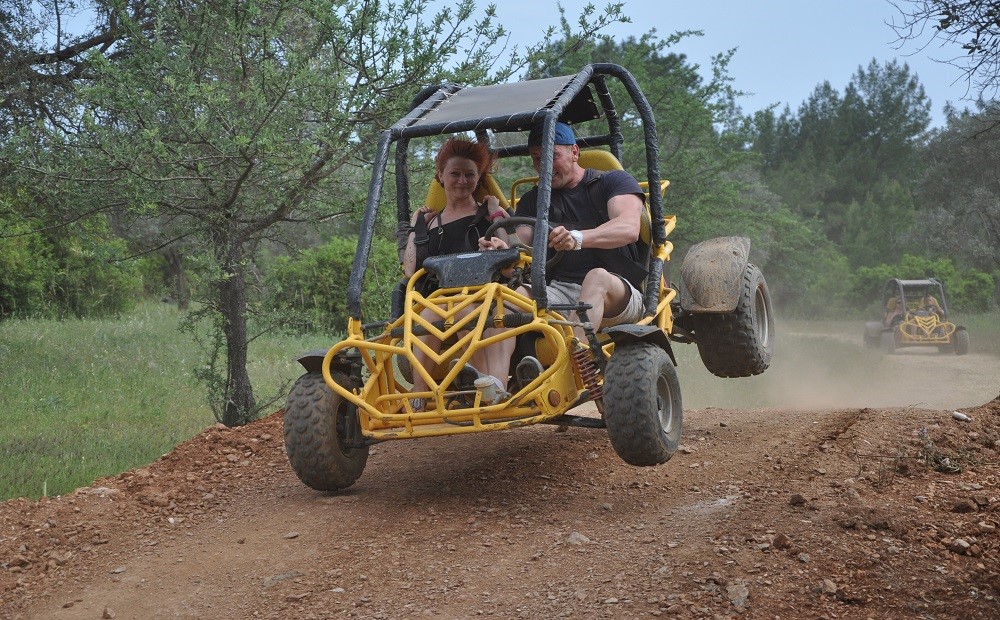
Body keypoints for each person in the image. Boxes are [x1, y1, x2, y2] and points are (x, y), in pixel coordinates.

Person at [479, 122, 647, 381]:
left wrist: (578, 238)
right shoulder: (533, 200)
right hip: (560, 290)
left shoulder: (612, 181)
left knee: (596, 277)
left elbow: (628, 228)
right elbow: (521, 243)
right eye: (537, 159)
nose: (543, 166)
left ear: (574, 153)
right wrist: (502, 248)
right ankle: (495, 390)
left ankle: (570, 376)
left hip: (620, 291)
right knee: (503, 299)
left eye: (552, 156)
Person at [400, 137, 515, 410]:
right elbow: (409, 269)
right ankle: (420, 394)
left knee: (463, 313)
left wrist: (495, 211)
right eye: (455, 174)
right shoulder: (429, 221)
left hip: (482, 296)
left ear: (478, 179)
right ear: (441, 176)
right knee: (429, 315)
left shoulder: (488, 215)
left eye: (469, 175)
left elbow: (511, 256)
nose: (462, 181)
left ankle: (480, 386)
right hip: (437, 299)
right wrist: (417, 226)